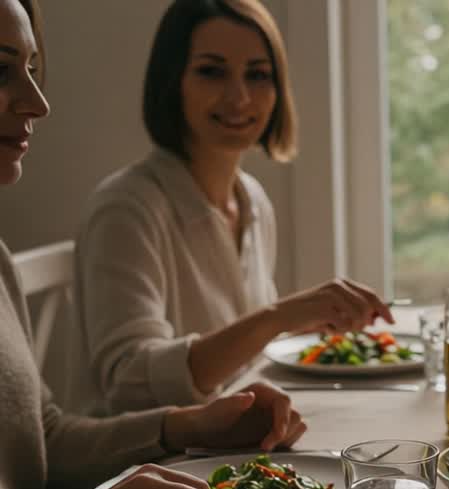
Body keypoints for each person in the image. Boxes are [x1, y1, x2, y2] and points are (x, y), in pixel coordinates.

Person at [0, 0, 306, 489]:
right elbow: (124, 380)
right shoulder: (128, 205)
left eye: (31, 70)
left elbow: (44, 444)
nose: (39, 103)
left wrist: (187, 426)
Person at [71, 0, 393, 414]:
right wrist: (275, 318)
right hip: (148, 466)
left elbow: (244, 364)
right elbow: (129, 383)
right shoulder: (126, 208)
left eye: (258, 75)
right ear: (172, 81)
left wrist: (300, 321)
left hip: (228, 447)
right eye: (211, 71)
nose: (239, 97)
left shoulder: (252, 199)